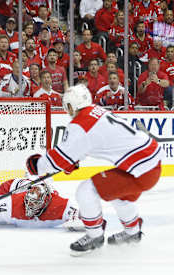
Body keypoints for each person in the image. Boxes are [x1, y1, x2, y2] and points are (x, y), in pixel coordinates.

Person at [26, 84, 163, 256]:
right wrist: (71, 159)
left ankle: (95, 236)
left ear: (71, 105)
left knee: (86, 190)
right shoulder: (96, 111)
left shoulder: (80, 124)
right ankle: (132, 232)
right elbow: (86, 145)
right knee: (119, 196)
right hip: (150, 163)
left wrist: (37, 165)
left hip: (142, 169)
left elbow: (57, 160)